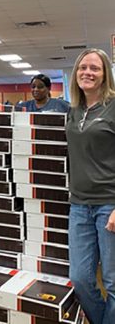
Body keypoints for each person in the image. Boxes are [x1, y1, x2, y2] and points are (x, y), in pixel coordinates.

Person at [66, 48, 115, 324]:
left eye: (95, 68)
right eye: (83, 67)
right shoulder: (73, 111)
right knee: (80, 278)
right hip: (79, 205)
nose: (88, 72)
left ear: (105, 74)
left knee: (113, 280)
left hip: (110, 203)